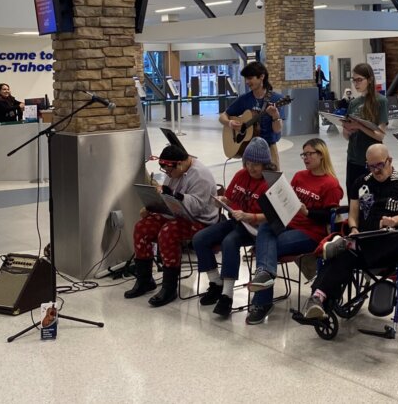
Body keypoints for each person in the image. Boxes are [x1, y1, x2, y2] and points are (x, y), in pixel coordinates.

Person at [301, 144, 398, 320]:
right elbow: (353, 213)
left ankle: (347, 245)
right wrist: (354, 228)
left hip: (390, 239)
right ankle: (317, 298)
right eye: (371, 166)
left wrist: (395, 220)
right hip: (363, 238)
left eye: (380, 165)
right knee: (343, 257)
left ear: (390, 161)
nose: (376, 170)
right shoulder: (361, 182)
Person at [246, 138, 343, 324]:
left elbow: (330, 217)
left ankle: (262, 301)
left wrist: (308, 211)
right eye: (303, 154)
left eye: (309, 154)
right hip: (289, 222)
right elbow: (287, 200)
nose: (305, 158)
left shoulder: (330, 184)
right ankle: (265, 275)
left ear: (321, 155)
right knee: (266, 227)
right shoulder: (299, 176)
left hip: (311, 233)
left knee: (268, 248)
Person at [124, 145, 220, 307]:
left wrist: (174, 195)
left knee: (168, 233)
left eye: (169, 171)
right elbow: (169, 195)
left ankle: (170, 287)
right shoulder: (175, 170)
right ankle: (145, 279)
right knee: (142, 227)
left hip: (201, 220)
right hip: (177, 213)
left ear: (180, 164)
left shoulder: (201, 176)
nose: (168, 175)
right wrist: (153, 205)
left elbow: (196, 206)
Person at [193, 137, 274, 317]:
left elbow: (273, 217)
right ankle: (215, 283)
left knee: (229, 242)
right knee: (200, 238)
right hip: (237, 221)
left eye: (257, 164)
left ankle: (227, 296)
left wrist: (249, 216)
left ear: (265, 165)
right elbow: (231, 199)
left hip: (255, 229)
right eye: (248, 163)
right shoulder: (240, 175)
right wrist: (222, 201)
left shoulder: (269, 183)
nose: (251, 168)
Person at [220, 61, 285, 167]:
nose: (247, 82)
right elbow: (223, 116)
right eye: (246, 78)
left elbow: (277, 130)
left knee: (271, 181)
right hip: (248, 149)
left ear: (262, 77)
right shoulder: (245, 99)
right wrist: (230, 123)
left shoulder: (276, 99)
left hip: (268, 149)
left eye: (250, 78)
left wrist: (275, 116)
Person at [343, 63, 388, 200]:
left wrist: (360, 126)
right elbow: (346, 136)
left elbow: (380, 134)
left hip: (372, 160)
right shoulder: (353, 103)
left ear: (369, 80)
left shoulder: (380, 101)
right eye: (353, 80)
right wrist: (347, 129)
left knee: (370, 199)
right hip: (353, 157)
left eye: (359, 80)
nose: (356, 83)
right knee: (353, 197)